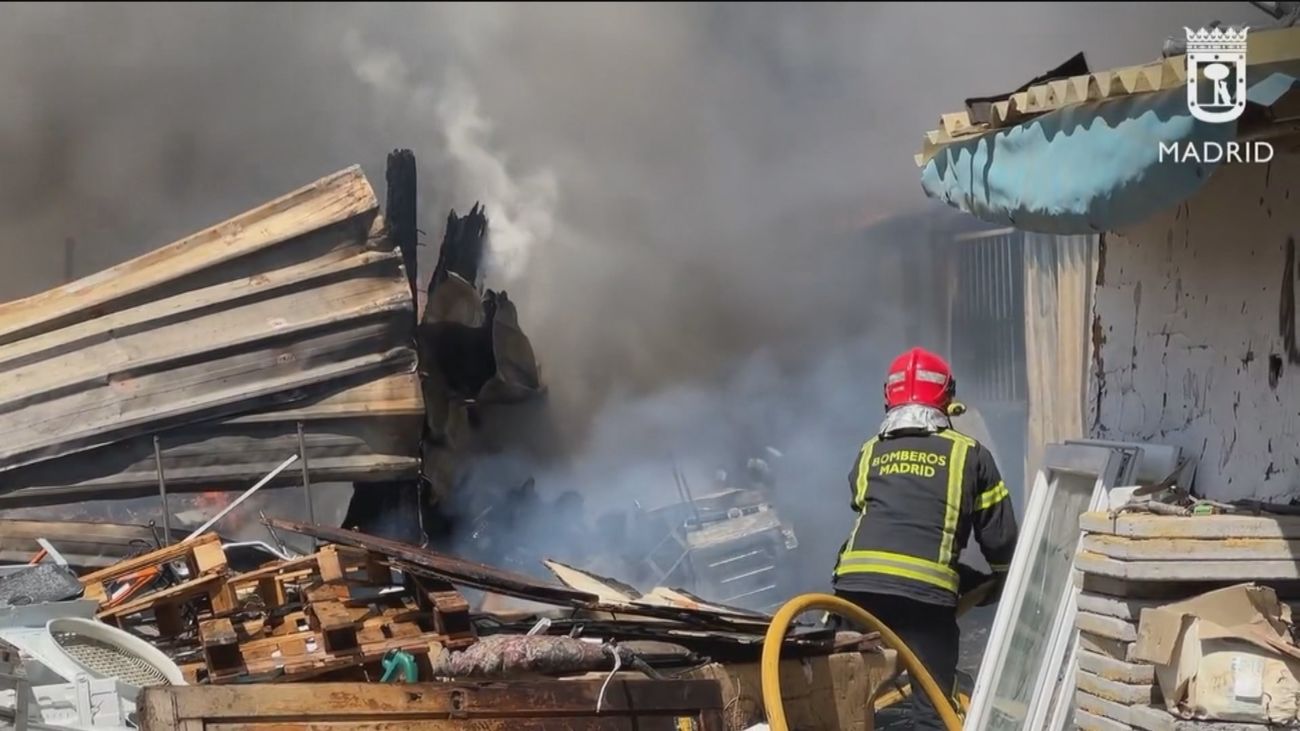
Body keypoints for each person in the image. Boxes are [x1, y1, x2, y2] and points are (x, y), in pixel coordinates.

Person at [832, 347, 1019, 731]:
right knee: (931, 708)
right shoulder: (970, 454)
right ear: (948, 397)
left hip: (854, 588)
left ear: (889, 396)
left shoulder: (869, 451)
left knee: (841, 697)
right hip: (924, 599)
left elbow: (863, 504)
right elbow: (1000, 538)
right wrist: (1004, 581)